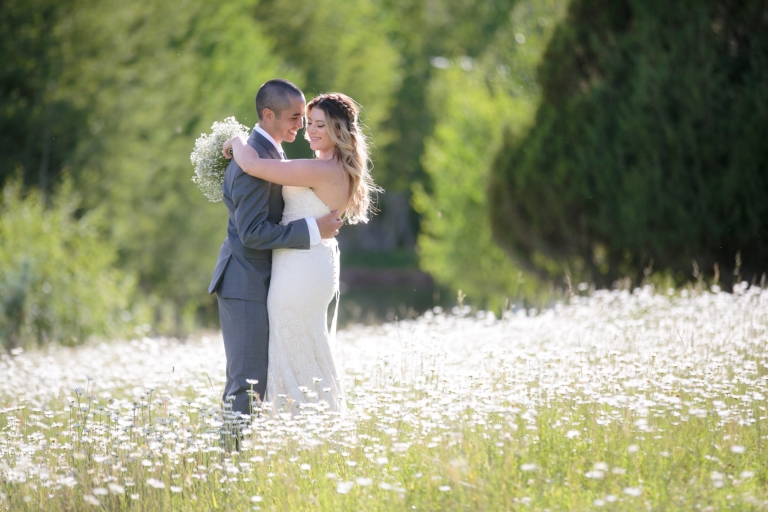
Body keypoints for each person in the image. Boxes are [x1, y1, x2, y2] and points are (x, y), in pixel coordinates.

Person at [222, 92, 380, 414]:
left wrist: (236, 140)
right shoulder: (332, 167)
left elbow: (251, 165)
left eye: (321, 125)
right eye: (310, 123)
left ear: (339, 129)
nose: (311, 130)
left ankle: (299, 422)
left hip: (300, 269)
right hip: (310, 263)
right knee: (307, 344)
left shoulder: (320, 169)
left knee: (293, 342)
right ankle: (314, 422)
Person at [208, 79, 343, 419]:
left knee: (261, 379)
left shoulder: (268, 153)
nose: (301, 125)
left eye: (305, 118)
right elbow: (252, 233)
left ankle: (252, 444)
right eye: (295, 117)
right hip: (245, 280)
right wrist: (313, 229)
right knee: (247, 381)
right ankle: (231, 448)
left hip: (269, 278)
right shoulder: (253, 158)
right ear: (269, 115)